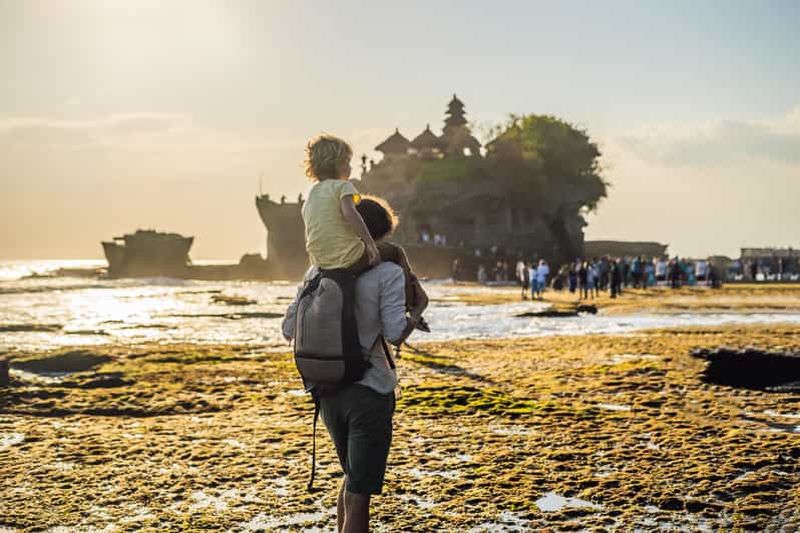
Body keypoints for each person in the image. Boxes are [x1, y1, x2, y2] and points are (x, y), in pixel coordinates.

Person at [282, 197, 416, 533]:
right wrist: (418, 311)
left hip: (327, 392)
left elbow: (288, 329)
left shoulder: (317, 270)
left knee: (351, 481)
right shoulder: (387, 272)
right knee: (359, 494)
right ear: (379, 235)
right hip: (370, 392)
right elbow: (396, 333)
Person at [302, 134, 427, 321]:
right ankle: (411, 304)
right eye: (347, 161)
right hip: (349, 258)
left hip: (320, 261)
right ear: (338, 163)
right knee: (395, 252)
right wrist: (369, 244)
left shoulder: (312, 193)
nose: (350, 167)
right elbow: (350, 214)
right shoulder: (343, 187)